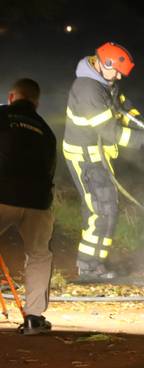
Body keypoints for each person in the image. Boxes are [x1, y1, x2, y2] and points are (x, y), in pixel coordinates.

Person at [62, 42, 144, 280]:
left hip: (97, 156)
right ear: (103, 63)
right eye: (117, 71)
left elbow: (124, 108)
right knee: (100, 210)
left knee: (106, 208)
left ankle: (96, 263)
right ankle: (88, 267)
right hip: (85, 158)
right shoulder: (88, 90)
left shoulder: (105, 83)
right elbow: (111, 132)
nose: (119, 76)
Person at [0, 78, 57, 334]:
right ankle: (34, 318)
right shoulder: (47, 130)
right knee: (39, 254)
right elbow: (50, 170)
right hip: (38, 202)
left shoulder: (2, 115)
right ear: (36, 102)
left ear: (12, 97)